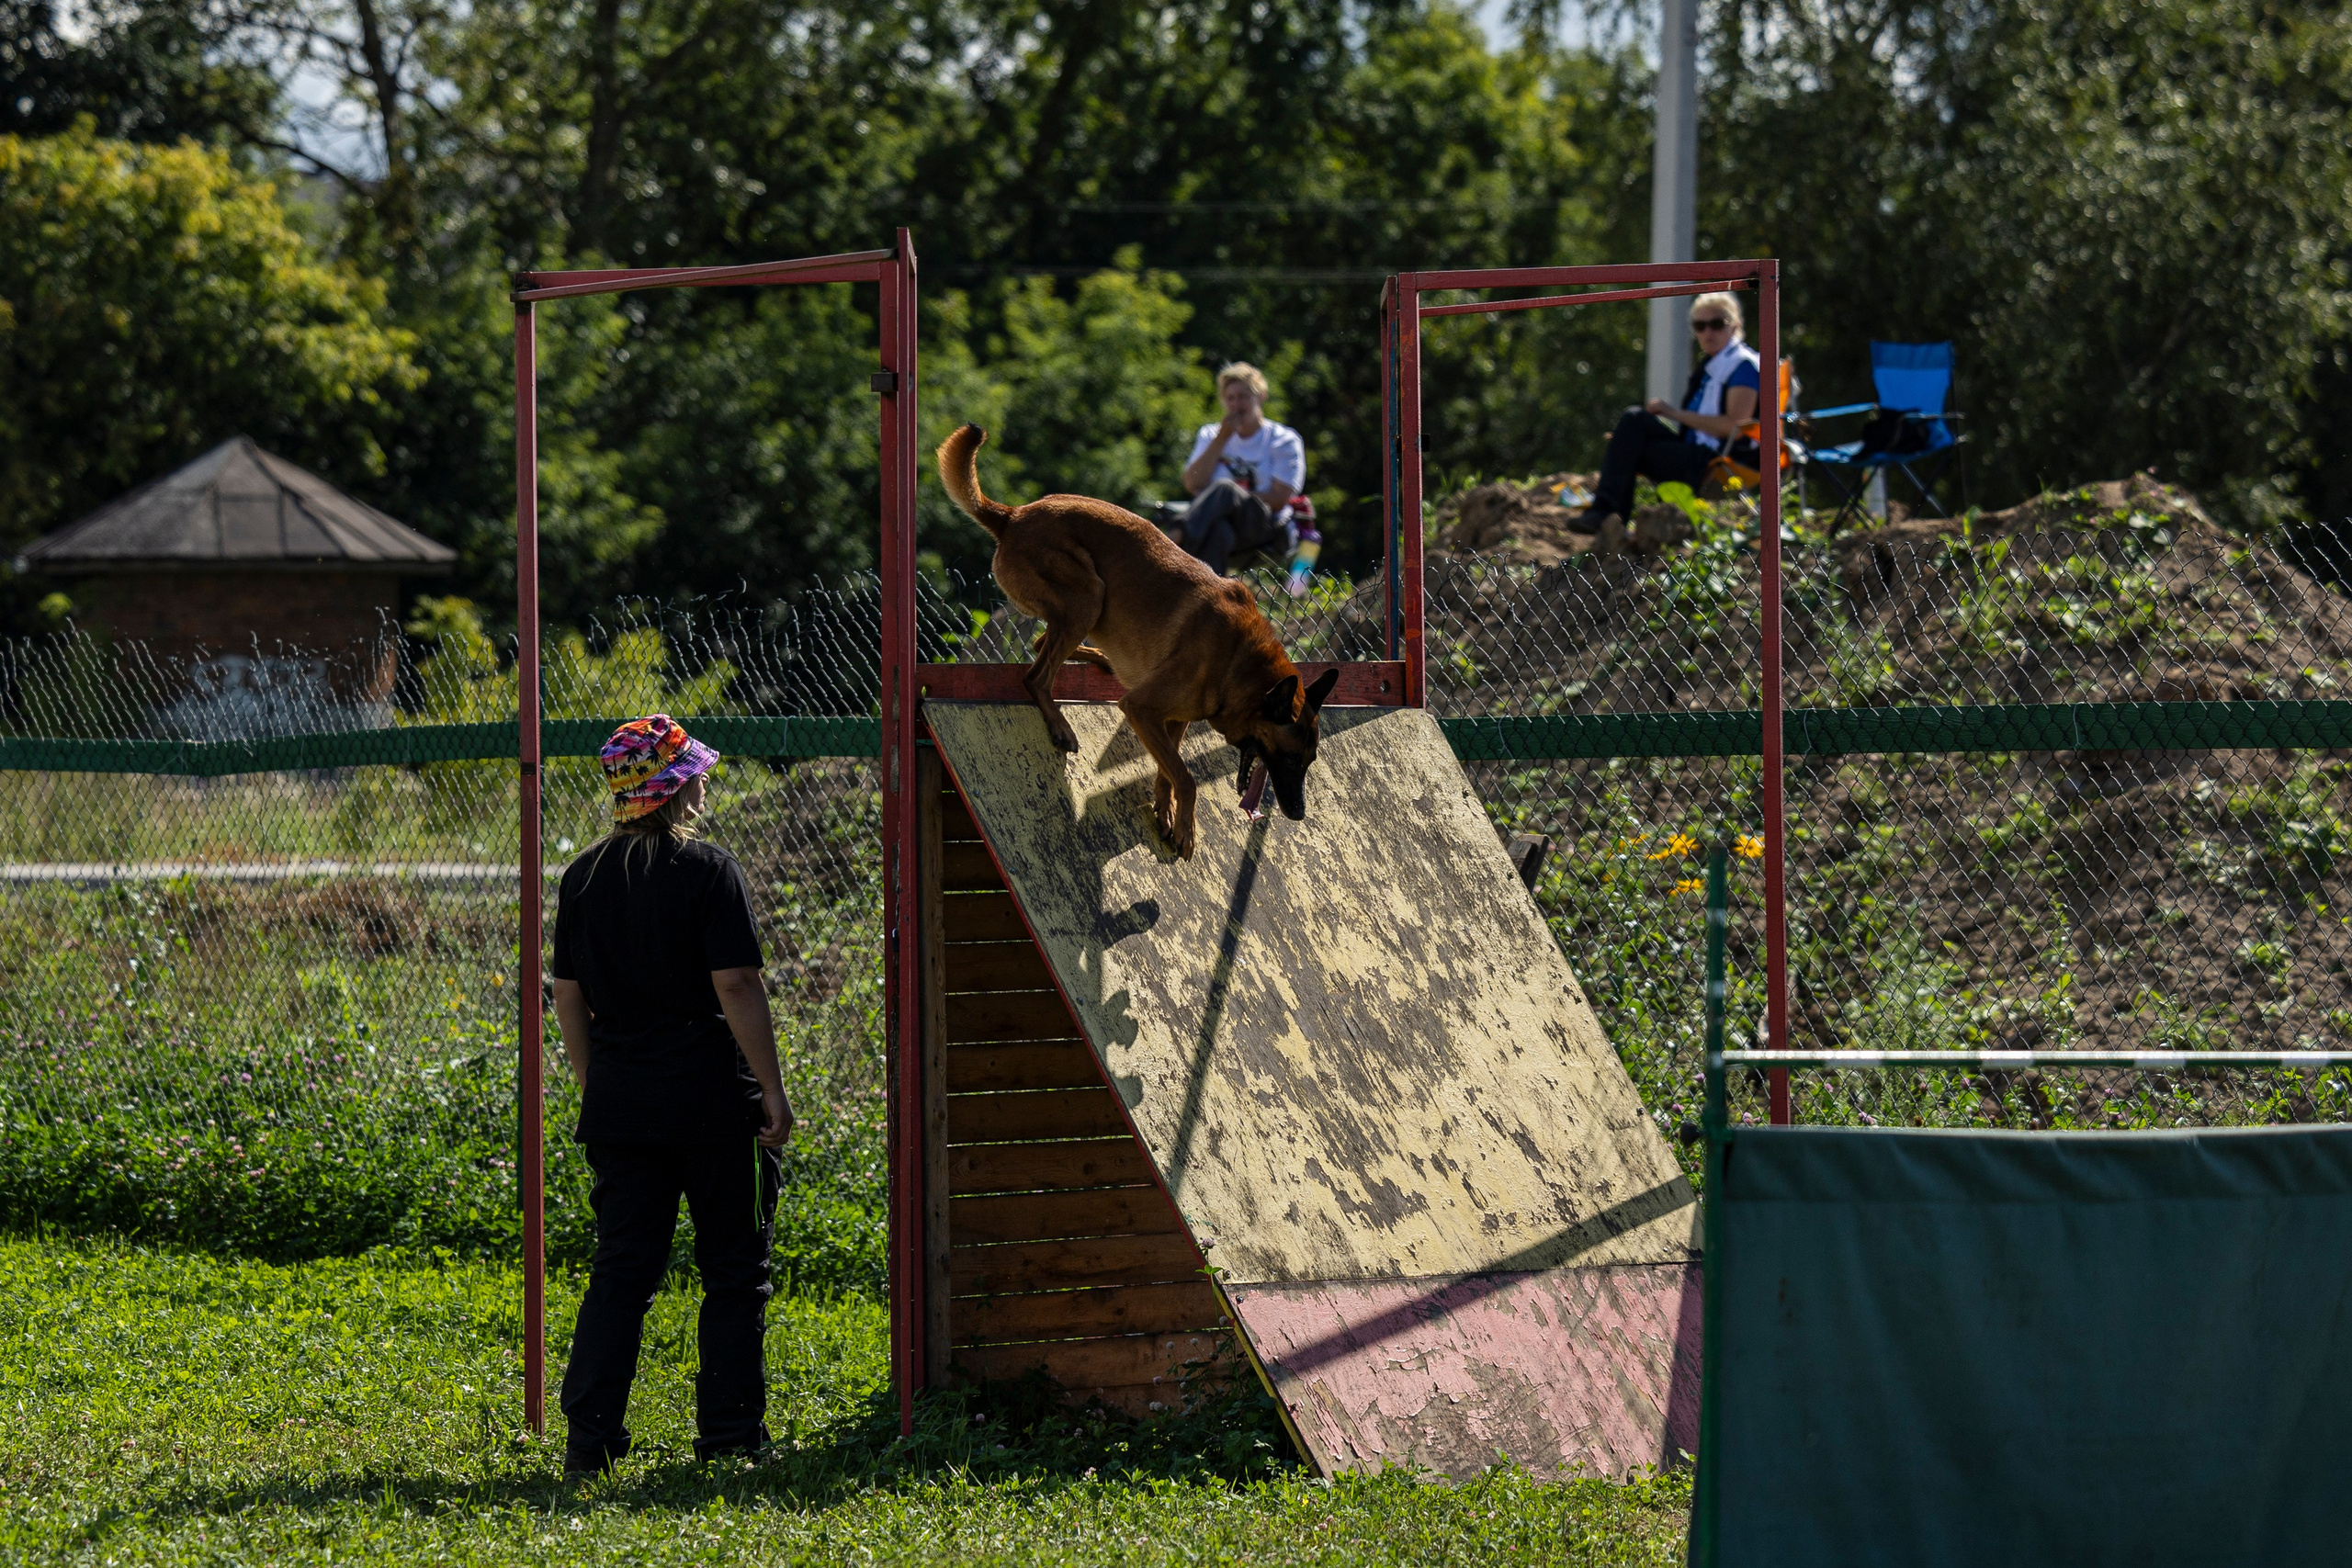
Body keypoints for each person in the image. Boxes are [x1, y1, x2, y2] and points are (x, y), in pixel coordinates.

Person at [549, 714, 796, 1478]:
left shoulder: (582, 877)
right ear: (675, 784)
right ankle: (729, 1438)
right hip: (715, 1103)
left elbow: (566, 996)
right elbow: (737, 984)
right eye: (694, 770)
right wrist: (775, 1094)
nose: (703, 780)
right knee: (734, 1269)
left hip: (623, 1107)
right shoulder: (710, 870)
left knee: (623, 1268)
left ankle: (589, 1440)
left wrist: (600, 1087)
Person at [1572, 291, 1761, 533]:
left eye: (1717, 324)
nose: (1708, 333)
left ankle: (1606, 517)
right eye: (1700, 326)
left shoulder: (1743, 366)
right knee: (1634, 419)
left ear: (1735, 327)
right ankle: (1605, 515)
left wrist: (1673, 413)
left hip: (1717, 461)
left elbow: (1735, 427)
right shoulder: (1715, 364)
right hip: (1697, 452)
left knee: (1628, 446)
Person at [1174, 362, 1306, 574]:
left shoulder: (1283, 440)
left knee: (1225, 489)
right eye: (1230, 398)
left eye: (1244, 396)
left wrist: (1233, 498)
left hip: (1264, 526)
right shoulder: (1211, 435)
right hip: (1218, 525)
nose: (1237, 404)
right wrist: (1221, 439)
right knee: (1220, 532)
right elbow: (1192, 483)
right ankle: (1211, 597)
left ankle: (1174, 538)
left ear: (1260, 396)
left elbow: (1279, 497)